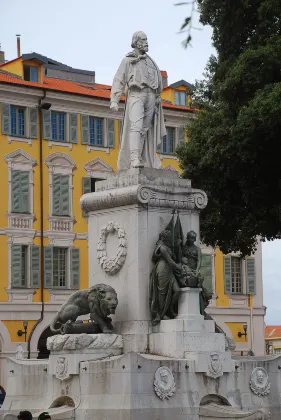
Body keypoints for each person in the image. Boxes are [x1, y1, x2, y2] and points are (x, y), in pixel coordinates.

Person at [110, 31, 166, 170]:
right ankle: (134, 158)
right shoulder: (128, 60)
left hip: (151, 95)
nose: (147, 42)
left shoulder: (151, 62)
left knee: (144, 129)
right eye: (143, 39)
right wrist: (114, 100)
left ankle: (139, 157)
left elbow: (158, 80)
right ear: (136, 41)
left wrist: (158, 96)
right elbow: (119, 79)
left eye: (147, 39)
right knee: (136, 125)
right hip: (136, 94)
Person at [149, 229, 182, 326]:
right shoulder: (162, 248)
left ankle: (170, 309)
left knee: (177, 291)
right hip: (163, 269)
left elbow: (173, 258)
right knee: (162, 293)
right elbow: (170, 261)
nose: (170, 238)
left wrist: (177, 246)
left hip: (169, 271)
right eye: (168, 237)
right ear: (164, 238)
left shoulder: (167, 247)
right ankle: (161, 314)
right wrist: (179, 268)